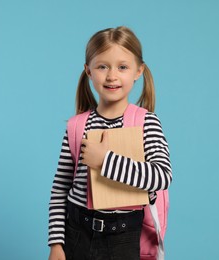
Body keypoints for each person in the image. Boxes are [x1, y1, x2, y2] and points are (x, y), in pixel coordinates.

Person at [48, 26, 172, 260]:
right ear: (88, 71)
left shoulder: (147, 123)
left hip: (123, 237)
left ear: (138, 71)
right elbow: (60, 189)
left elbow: (162, 176)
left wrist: (105, 161)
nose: (112, 75)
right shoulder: (76, 126)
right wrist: (56, 244)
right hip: (77, 233)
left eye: (122, 67)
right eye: (102, 66)